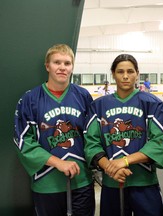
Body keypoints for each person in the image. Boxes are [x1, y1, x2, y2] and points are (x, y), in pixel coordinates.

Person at [13, 44, 95, 216]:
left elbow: (93, 137)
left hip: (81, 182)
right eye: (57, 62)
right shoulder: (30, 99)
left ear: (72, 67)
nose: (62, 67)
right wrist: (58, 162)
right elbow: (23, 142)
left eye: (67, 63)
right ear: (47, 66)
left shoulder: (83, 96)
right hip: (46, 183)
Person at [84, 54, 163, 216]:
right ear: (113, 74)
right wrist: (110, 167)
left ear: (137, 73)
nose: (125, 76)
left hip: (144, 183)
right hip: (112, 183)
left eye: (130, 71)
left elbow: (158, 142)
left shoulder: (152, 103)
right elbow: (91, 143)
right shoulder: (98, 106)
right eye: (120, 71)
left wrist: (123, 161)